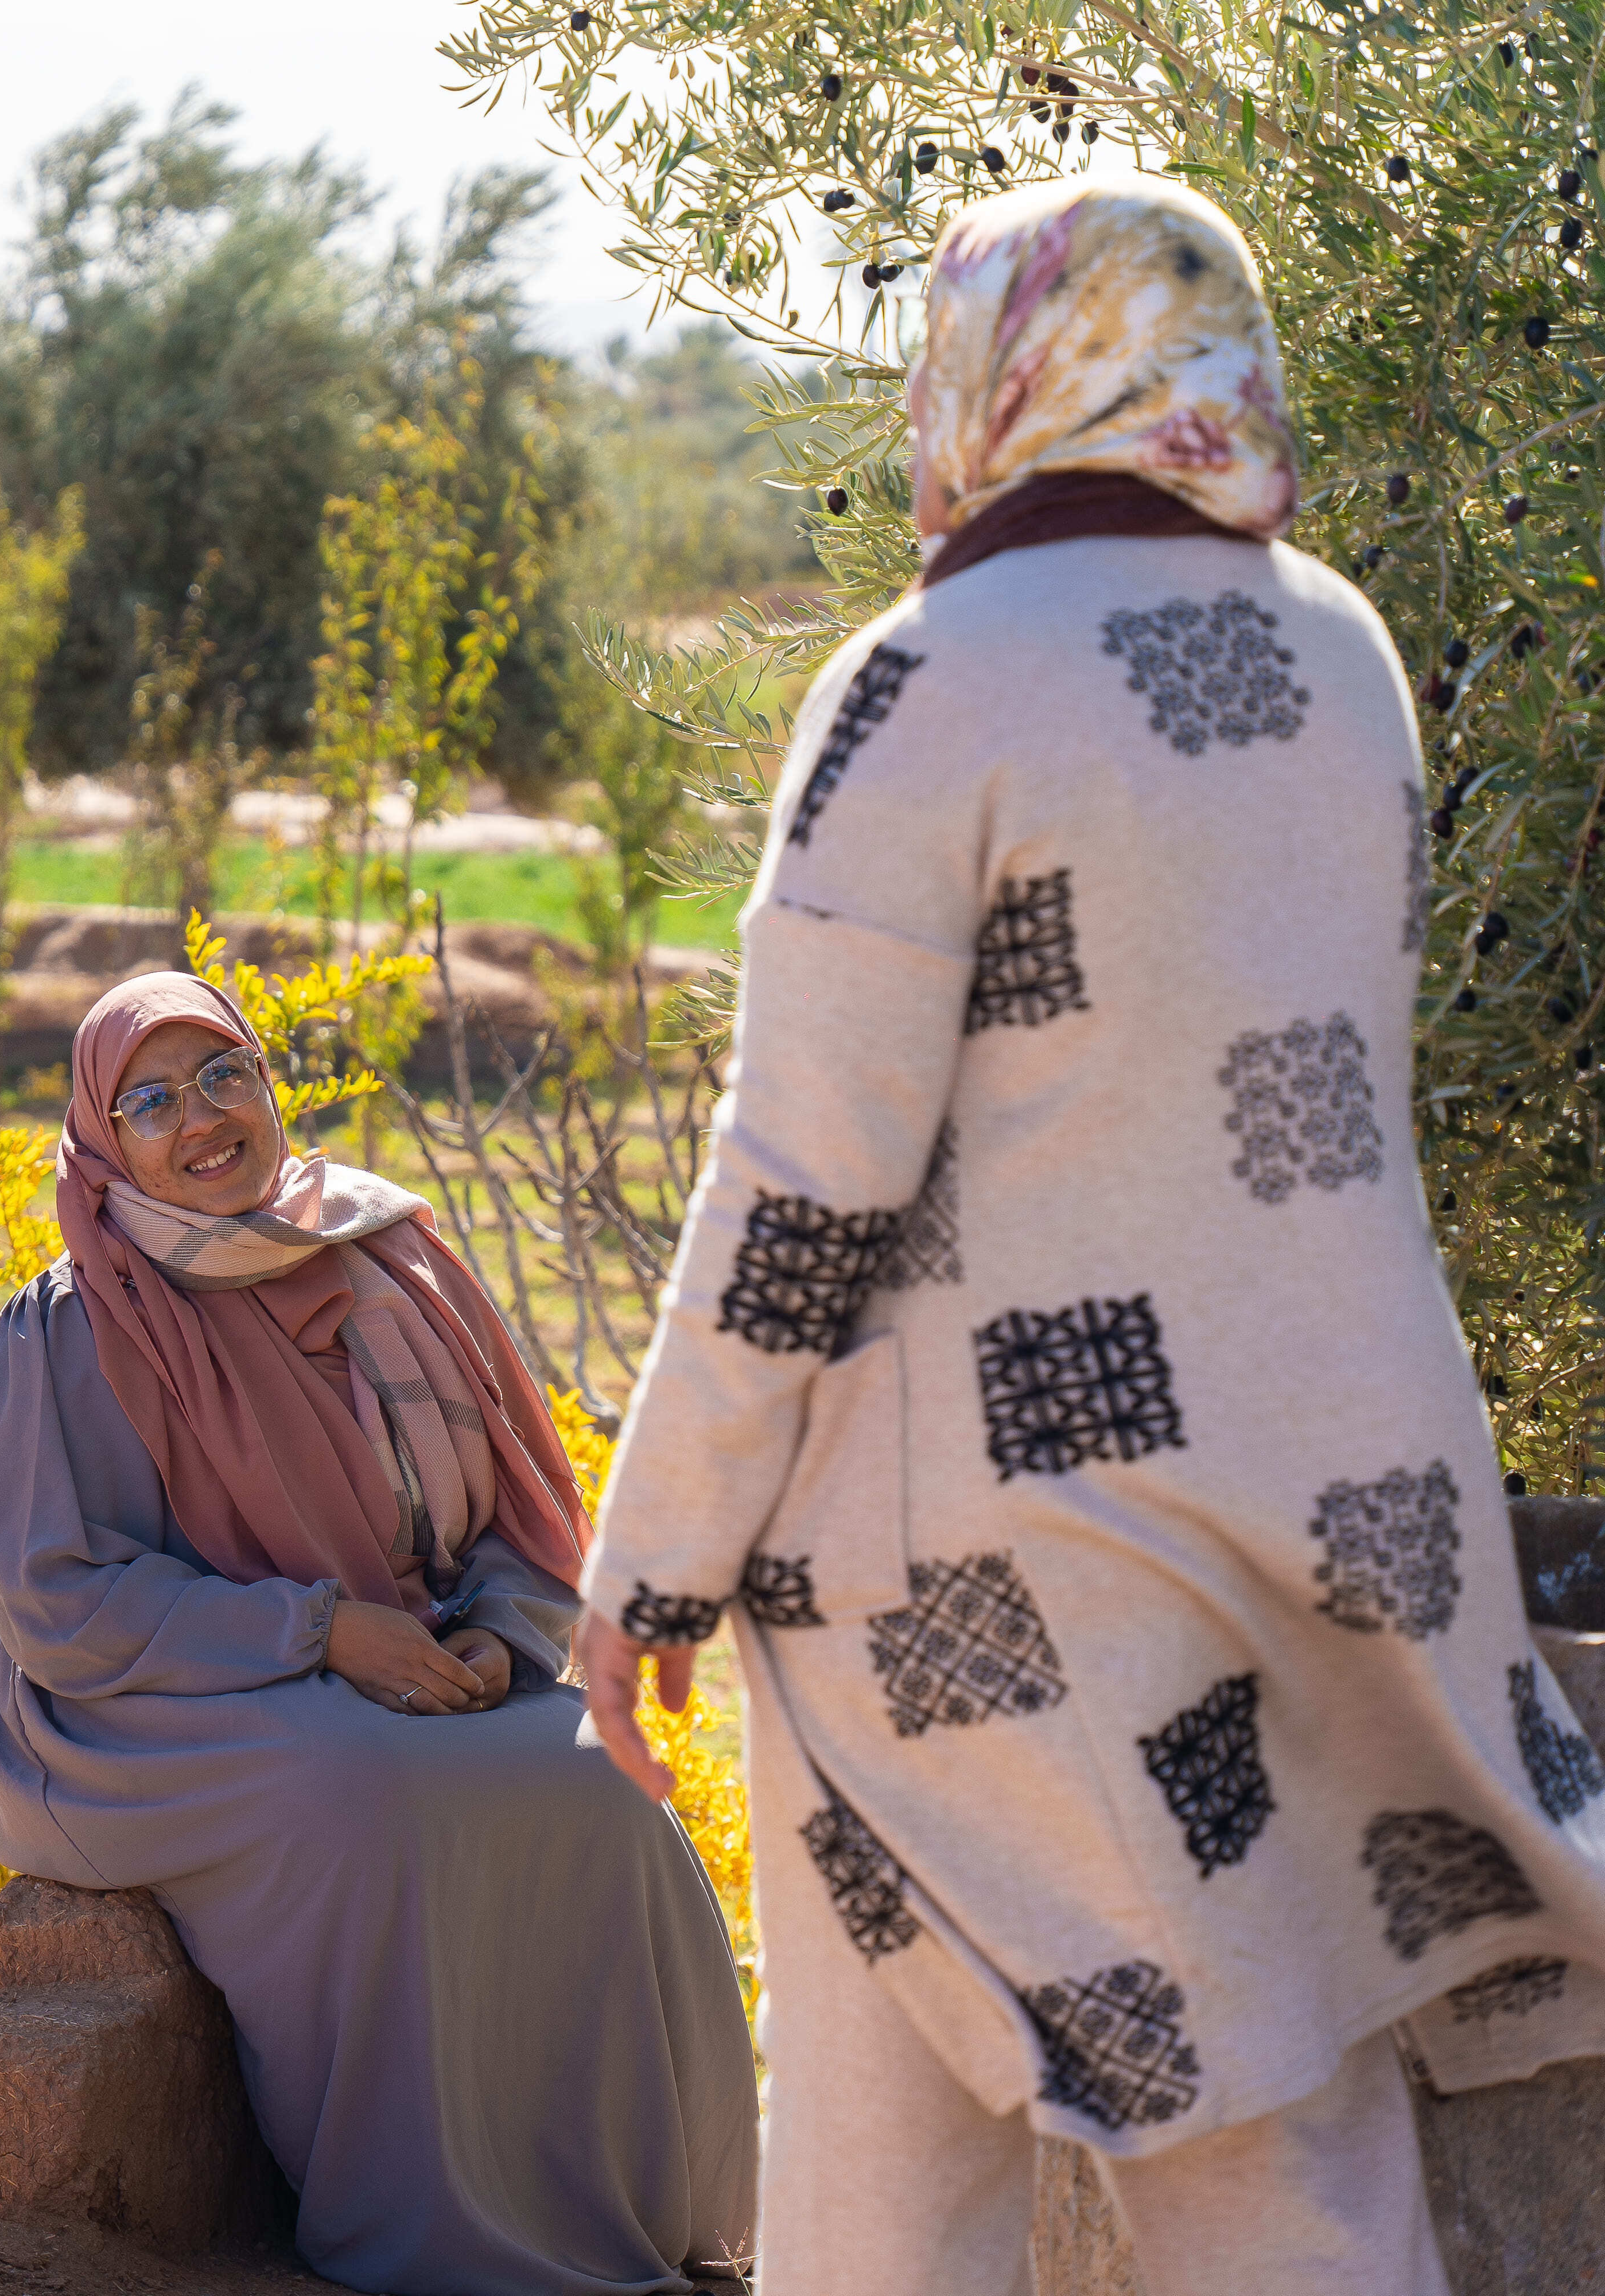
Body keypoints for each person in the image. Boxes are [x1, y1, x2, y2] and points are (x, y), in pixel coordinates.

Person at [576, 175, 1605, 2294]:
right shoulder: (1349, 662)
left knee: (882, 2179)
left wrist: (658, 1549)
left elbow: (803, 1181)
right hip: (1331, 1499)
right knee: (1283, 2137)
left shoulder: (926, 683)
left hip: (970, 1569)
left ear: (992, 366)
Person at [0, 969, 760, 2295]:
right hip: (120, 1694)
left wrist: (502, 1635)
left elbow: (517, 1510)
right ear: (105, 1139)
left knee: (600, 1773)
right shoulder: (76, 1320)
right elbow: (63, 1601)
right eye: (151, 1099)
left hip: (401, 1647)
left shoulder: (389, 1252)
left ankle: (640, 2211)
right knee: (362, 1789)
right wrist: (321, 1631)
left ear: (270, 1086)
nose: (201, 1116)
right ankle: (443, 2236)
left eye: (225, 1075)